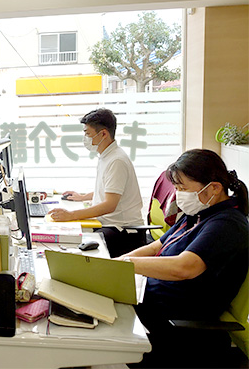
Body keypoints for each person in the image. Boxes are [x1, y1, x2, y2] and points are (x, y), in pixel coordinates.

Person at [120, 149, 249, 368]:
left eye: (182, 188)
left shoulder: (227, 225)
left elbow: (184, 267)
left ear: (214, 188)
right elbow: (155, 247)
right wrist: (113, 264)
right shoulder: (197, 215)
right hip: (151, 300)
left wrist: (126, 265)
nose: (178, 194)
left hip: (178, 322)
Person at [48, 108, 143, 257]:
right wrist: (83, 197)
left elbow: (110, 205)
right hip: (109, 224)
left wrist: (72, 214)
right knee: (71, 238)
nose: (85, 138)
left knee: (75, 248)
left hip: (123, 231)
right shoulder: (107, 155)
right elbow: (111, 189)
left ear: (103, 134)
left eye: (88, 134)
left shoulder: (116, 160)